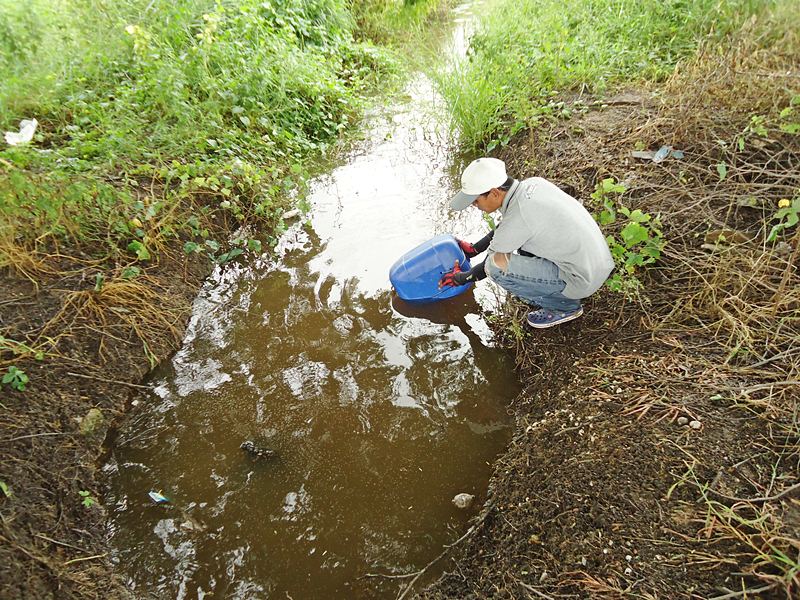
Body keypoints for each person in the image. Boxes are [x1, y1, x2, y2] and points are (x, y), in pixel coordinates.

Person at [439, 157, 614, 328]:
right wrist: (474, 249)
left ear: (494, 193)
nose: (474, 206)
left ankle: (564, 307)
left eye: (475, 201)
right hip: (597, 264)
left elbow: (491, 264)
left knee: (496, 267)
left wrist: (459, 278)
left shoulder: (520, 216)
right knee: (518, 248)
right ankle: (557, 289)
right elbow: (510, 224)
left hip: (581, 280)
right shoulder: (533, 185)